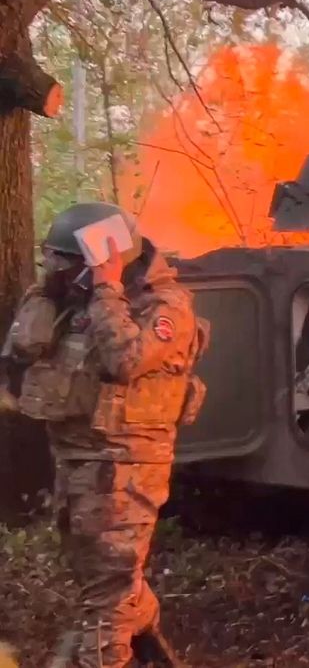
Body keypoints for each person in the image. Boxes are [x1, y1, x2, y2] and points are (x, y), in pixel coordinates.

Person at [1, 202, 208, 667]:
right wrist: (57, 290)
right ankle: (145, 631)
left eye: (67, 260)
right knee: (101, 577)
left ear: (109, 259)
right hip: (75, 457)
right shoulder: (71, 297)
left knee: (105, 601)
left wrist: (106, 288)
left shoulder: (165, 306)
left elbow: (126, 361)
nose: (56, 268)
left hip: (126, 466)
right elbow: (21, 347)